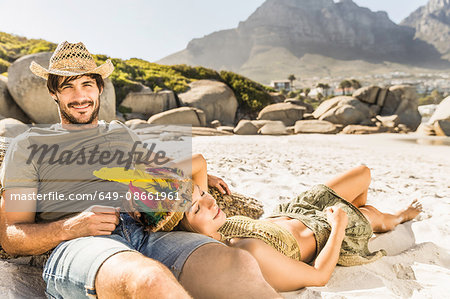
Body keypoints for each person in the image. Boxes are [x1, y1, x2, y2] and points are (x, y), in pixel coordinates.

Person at [0, 41, 280, 298]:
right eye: (68, 87)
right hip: (82, 245)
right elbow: (11, 235)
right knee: (149, 280)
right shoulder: (28, 145)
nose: (79, 96)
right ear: (53, 92)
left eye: (87, 84)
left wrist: (199, 175)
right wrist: (71, 227)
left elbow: (158, 172)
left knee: (238, 263)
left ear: (100, 88)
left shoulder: (120, 133)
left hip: (148, 233)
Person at [174, 157, 422, 292]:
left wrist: (197, 182)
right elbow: (319, 276)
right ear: (184, 230)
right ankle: (399, 217)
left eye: (202, 193)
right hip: (324, 229)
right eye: (196, 207)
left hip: (295, 209)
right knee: (375, 216)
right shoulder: (244, 253)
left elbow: (198, 161)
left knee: (363, 172)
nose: (209, 202)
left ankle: (363, 217)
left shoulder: (209, 223)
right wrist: (338, 225)